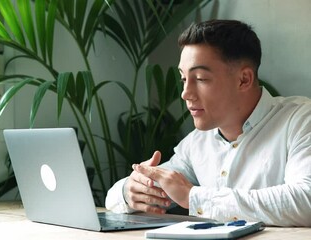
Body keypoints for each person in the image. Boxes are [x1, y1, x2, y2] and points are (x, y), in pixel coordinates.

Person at [105, 19, 311, 227]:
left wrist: (193, 197)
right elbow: (116, 197)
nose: (185, 94)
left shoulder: (301, 120)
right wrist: (131, 190)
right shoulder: (196, 144)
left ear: (244, 79)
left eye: (201, 78)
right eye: (183, 78)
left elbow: (307, 200)